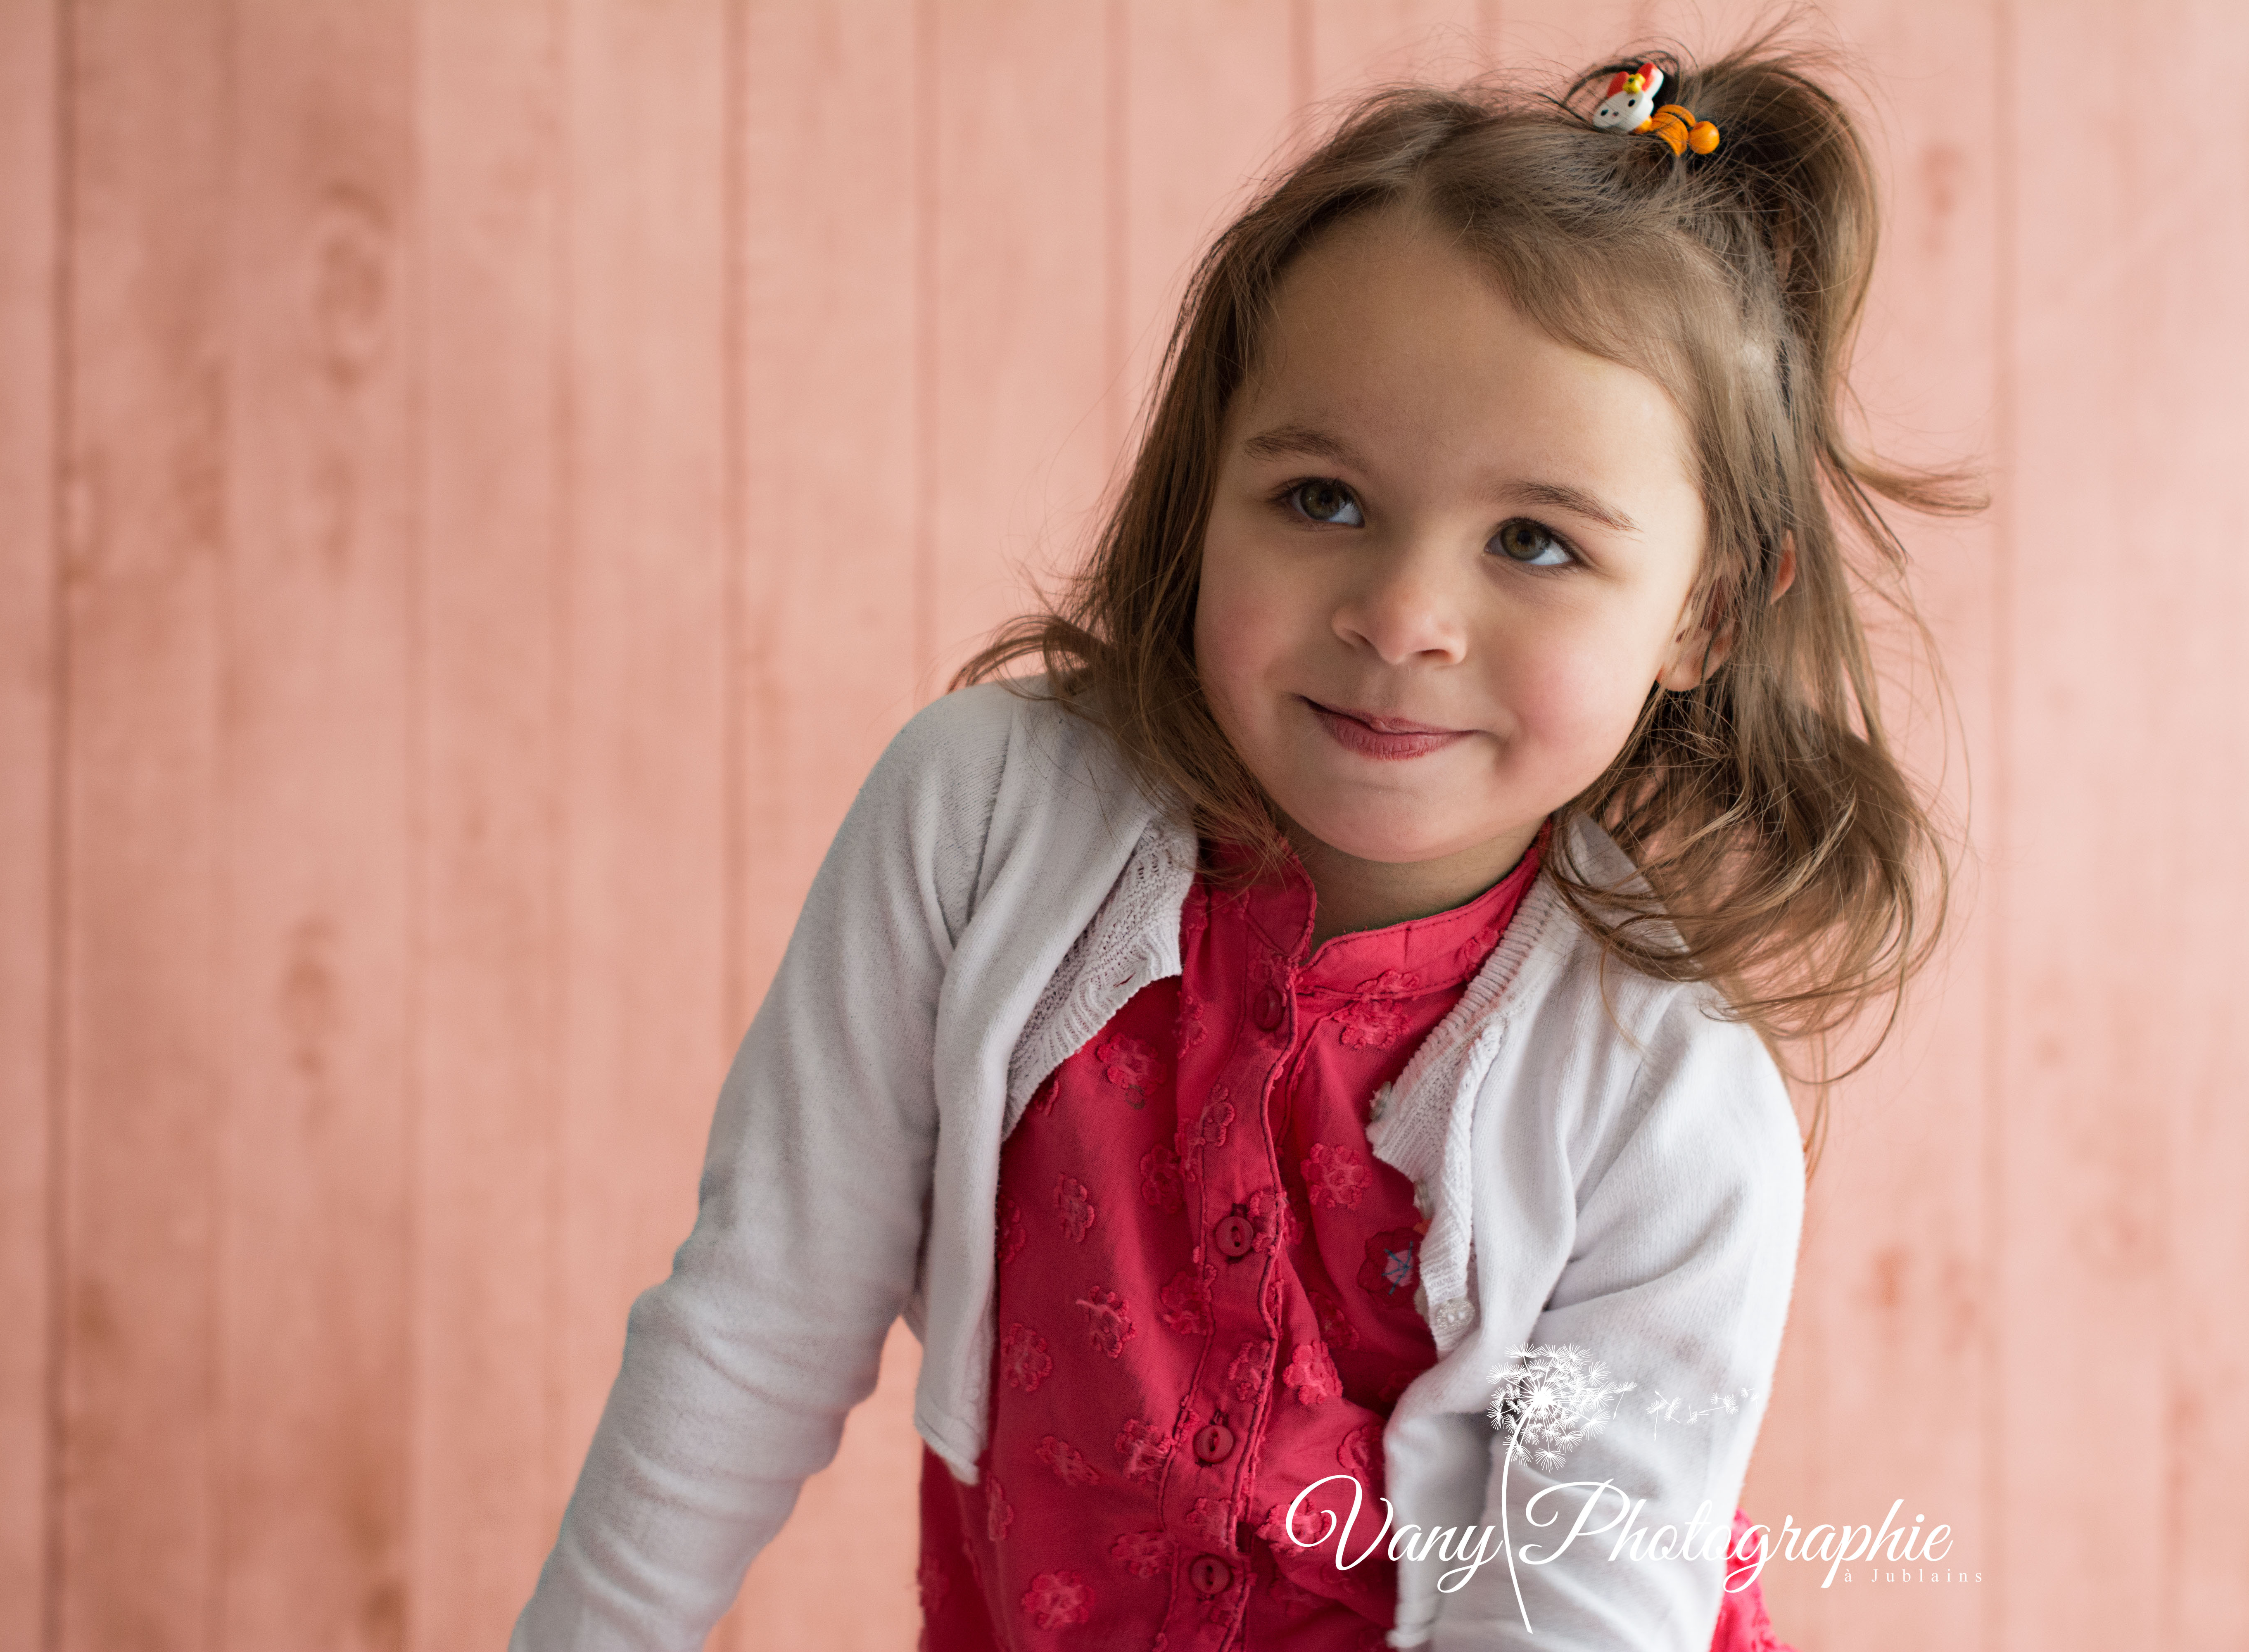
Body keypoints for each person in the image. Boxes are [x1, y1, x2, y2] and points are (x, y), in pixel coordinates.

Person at [511, 26, 1967, 1652]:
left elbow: (1569, 1609)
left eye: (1536, 540)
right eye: (1324, 498)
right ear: (1207, 486)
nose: (1406, 615)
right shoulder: (977, 821)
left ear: (1702, 610)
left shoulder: (1670, 1094)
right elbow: (755, 1319)